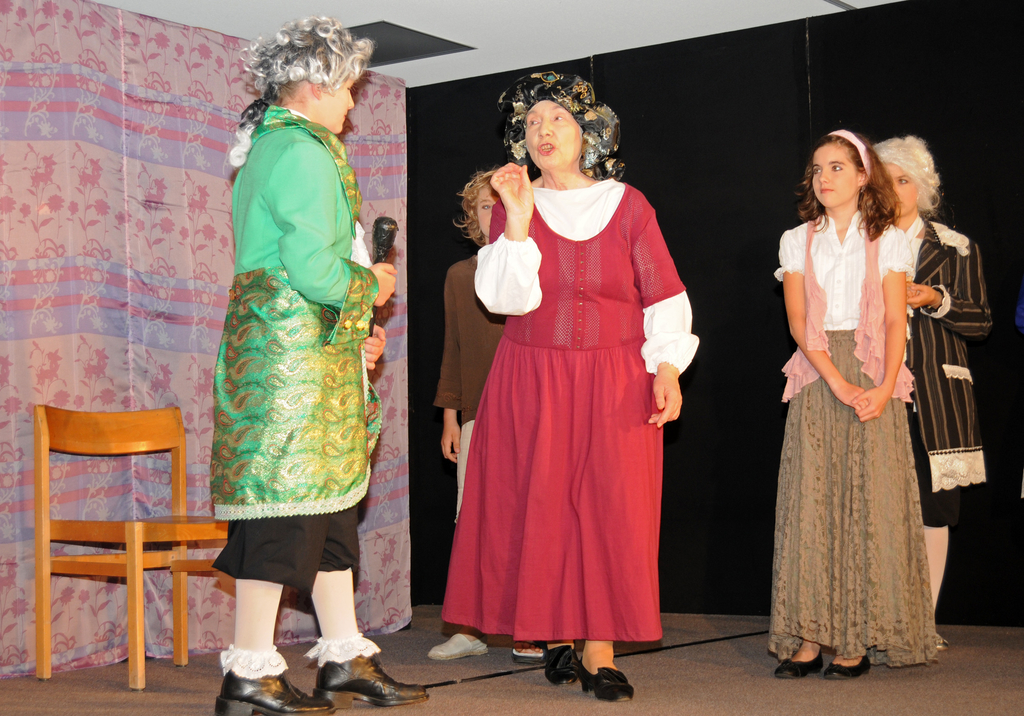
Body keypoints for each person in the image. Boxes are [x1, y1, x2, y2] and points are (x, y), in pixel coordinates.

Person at [441, 72, 699, 702]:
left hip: (617, 376)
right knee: (542, 505)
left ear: (587, 131)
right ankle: (554, 632)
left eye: (556, 118)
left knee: (612, 509)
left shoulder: (628, 205)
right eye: (531, 123)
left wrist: (667, 368)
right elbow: (504, 299)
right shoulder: (515, 203)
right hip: (532, 376)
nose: (543, 130)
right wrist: (518, 220)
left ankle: (599, 650)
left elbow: (663, 293)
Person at [209, 17, 426, 714]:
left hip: (299, 350)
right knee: (283, 508)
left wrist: (353, 333)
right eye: (348, 89)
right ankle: (249, 671)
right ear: (315, 85)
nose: (353, 103)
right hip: (290, 363)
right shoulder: (300, 152)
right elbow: (310, 270)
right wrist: (372, 287)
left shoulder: (277, 147)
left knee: (326, 511)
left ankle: (344, 656)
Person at [770, 130, 936, 680]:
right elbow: (799, 323)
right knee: (813, 503)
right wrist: (838, 383)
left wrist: (884, 387)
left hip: (873, 371)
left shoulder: (888, 239)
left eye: (837, 167)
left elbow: (894, 320)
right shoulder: (797, 239)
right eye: (817, 169)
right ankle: (808, 638)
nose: (824, 178)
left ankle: (856, 640)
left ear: (864, 175)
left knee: (866, 503)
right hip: (819, 373)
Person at [874, 135, 991, 649]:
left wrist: (935, 298)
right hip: (876, 392)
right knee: (876, 510)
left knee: (933, 511)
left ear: (922, 189)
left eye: (904, 180)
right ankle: (875, 620)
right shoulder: (860, 243)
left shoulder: (956, 246)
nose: (894, 189)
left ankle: (922, 623)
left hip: (937, 396)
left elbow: (982, 322)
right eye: (885, 180)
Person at [429, 171, 544, 664]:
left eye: (501, 202)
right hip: (478, 413)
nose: (492, 211)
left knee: (529, 519)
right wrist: (450, 417)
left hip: (533, 413)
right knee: (473, 519)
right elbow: (453, 349)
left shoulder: (537, 268)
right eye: (483, 205)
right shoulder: (460, 275)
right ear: (472, 218)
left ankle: (530, 627)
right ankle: (470, 625)